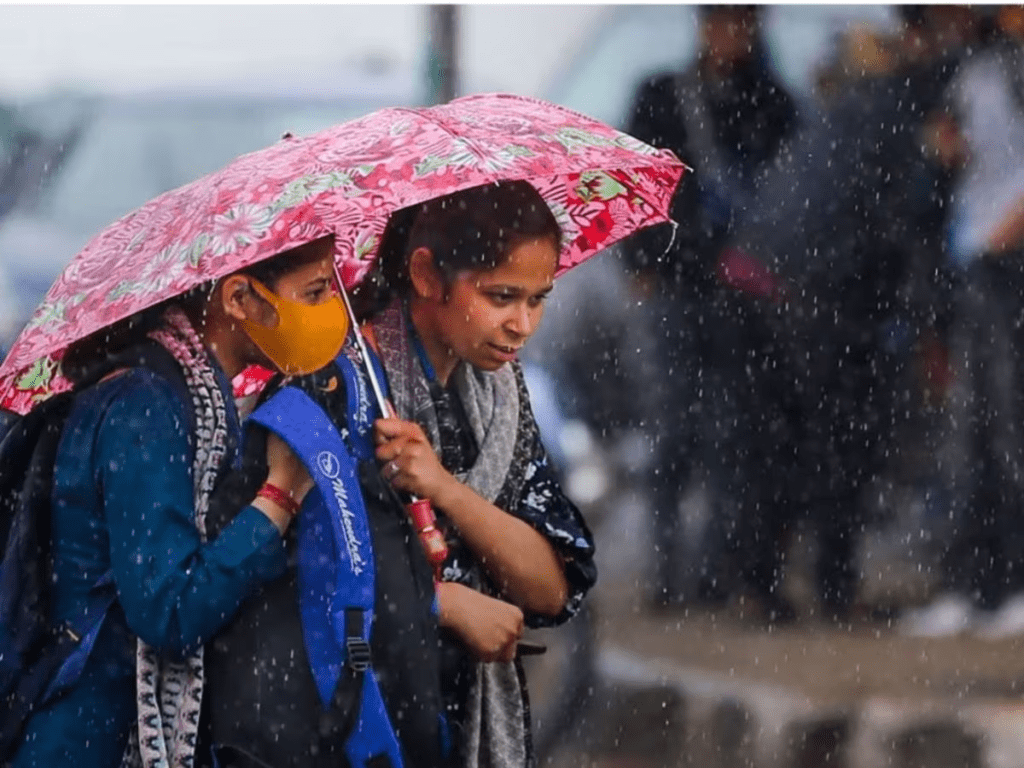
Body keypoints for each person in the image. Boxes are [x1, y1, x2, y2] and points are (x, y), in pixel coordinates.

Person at [8, 236, 346, 768]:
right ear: (240, 298)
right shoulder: (146, 406)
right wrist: (280, 494)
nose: (330, 311)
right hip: (82, 734)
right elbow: (170, 609)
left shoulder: (195, 395)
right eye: (315, 292)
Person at [353, 180, 598, 768]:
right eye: (501, 296)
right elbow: (316, 581)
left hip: (464, 714)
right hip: (370, 718)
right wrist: (442, 605)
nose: (523, 325)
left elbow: (550, 587)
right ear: (426, 275)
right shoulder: (350, 388)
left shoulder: (500, 398)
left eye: (538, 299)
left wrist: (444, 489)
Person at [621, 3, 799, 612]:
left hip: (742, 294)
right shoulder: (664, 96)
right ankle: (669, 575)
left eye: (739, 21)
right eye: (721, 20)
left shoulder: (773, 104)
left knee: (732, 439)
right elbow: (636, 184)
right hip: (674, 285)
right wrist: (642, 264)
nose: (729, 33)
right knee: (673, 435)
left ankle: (716, 573)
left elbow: (786, 195)